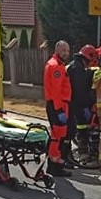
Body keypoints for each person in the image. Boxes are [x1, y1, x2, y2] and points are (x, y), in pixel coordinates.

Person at [43, 40, 73, 177]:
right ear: (57, 50)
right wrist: (60, 110)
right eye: (63, 50)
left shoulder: (57, 64)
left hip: (58, 105)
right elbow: (56, 91)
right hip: (58, 105)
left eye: (67, 50)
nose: (66, 53)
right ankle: (55, 166)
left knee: (59, 136)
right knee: (58, 137)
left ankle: (55, 164)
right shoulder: (56, 67)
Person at [65, 44, 97, 168]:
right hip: (75, 104)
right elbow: (80, 90)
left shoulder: (75, 65)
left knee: (76, 128)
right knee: (74, 129)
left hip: (72, 103)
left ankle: (69, 156)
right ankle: (69, 156)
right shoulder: (78, 68)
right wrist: (88, 103)